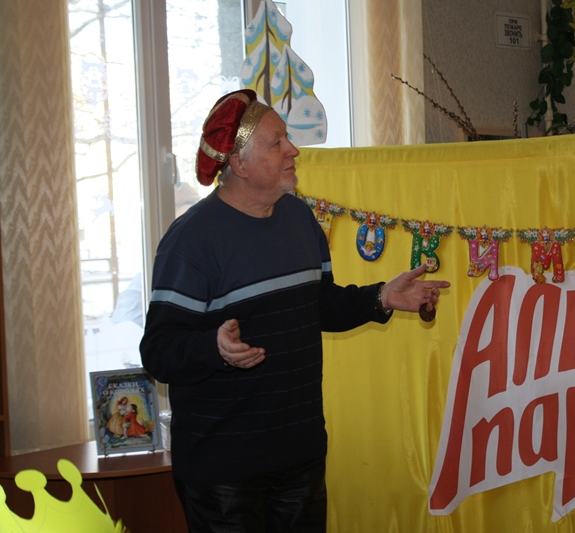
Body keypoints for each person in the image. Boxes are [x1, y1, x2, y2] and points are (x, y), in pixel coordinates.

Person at [139, 89, 450, 532]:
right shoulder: (191, 241)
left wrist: (381, 297)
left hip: (299, 457)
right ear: (239, 164)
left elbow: (319, 305)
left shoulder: (300, 219)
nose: (293, 150)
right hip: (224, 474)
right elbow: (158, 351)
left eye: (287, 138)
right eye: (277, 142)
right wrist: (214, 348)